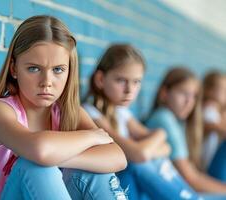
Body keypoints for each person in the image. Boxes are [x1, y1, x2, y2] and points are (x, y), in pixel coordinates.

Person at [0, 15, 127, 200]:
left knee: (95, 171)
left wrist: (59, 158)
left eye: (58, 70)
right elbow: (39, 150)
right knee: (33, 165)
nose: (46, 82)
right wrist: (91, 136)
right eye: (34, 68)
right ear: (14, 69)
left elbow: (118, 158)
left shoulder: (69, 113)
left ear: (69, 71)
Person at [83, 44, 199, 200]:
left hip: (134, 189)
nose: (129, 90)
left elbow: (166, 148)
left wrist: (157, 138)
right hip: (114, 190)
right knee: (135, 165)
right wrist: (156, 139)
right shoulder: (91, 113)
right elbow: (138, 155)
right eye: (121, 80)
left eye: (136, 82)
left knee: (149, 161)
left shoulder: (122, 113)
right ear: (100, 79)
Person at [146, 67, 226, 197]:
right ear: (164, 93)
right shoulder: (164, 118)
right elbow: (191, 179)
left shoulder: (176, 122)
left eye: (194, 96)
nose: (189, 102)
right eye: (183, 93)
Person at [202, 71, 226, 181]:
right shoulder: (208, 109)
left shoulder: (216, 111)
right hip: (206, 167)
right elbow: (209, 126)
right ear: (208, 90)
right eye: (222, 89)